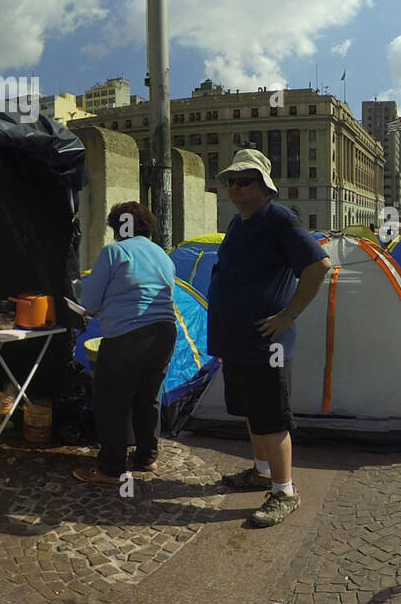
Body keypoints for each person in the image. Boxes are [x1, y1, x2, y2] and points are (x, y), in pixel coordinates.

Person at [205, 149, 330, 528]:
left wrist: (288, 315)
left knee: (272, 418)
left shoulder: (280, 220)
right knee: (251, 412)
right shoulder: (239, 223)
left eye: (245, 181)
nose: (236, 188)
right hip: (237, 340)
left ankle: (284, 490)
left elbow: (318, 266)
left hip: (266, 344)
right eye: (231, 181)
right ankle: (261, 472)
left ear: (264, 186)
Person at [70, 201, 179, 489]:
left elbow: (89, 303)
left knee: (111, 401)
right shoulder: (163, 256)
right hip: (165, 333)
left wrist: (92, 308)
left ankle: (111, 468)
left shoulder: (114, 252)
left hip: (128, 337)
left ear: (118, 228)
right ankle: (147, 457)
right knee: (147, 398)